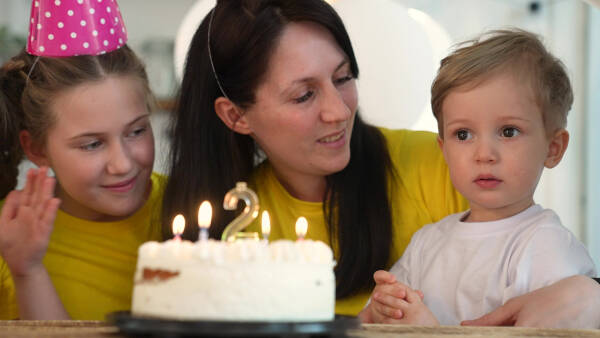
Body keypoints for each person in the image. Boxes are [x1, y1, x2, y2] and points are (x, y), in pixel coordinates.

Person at [162, 0, 600, 327]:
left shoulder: (447, 167)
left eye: (343, 78)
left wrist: (588, 296)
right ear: (235, 115)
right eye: (304, 94)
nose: (339, 110)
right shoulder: (223, 223)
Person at [358, 29, 596, 326]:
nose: (484, 153)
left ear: (553, 148)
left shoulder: (548, 247)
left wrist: (426, 332)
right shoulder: (426, 243)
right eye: (463, 134)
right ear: (444, 150)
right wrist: (385, 307)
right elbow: (369, 322)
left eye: (508, 131)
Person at [0, 0, 163, 320]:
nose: (124, 164)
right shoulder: (9, 234)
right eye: (91, 144)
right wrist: (27, 271)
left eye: (137, 131)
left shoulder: (193, 201)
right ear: (37, 149)